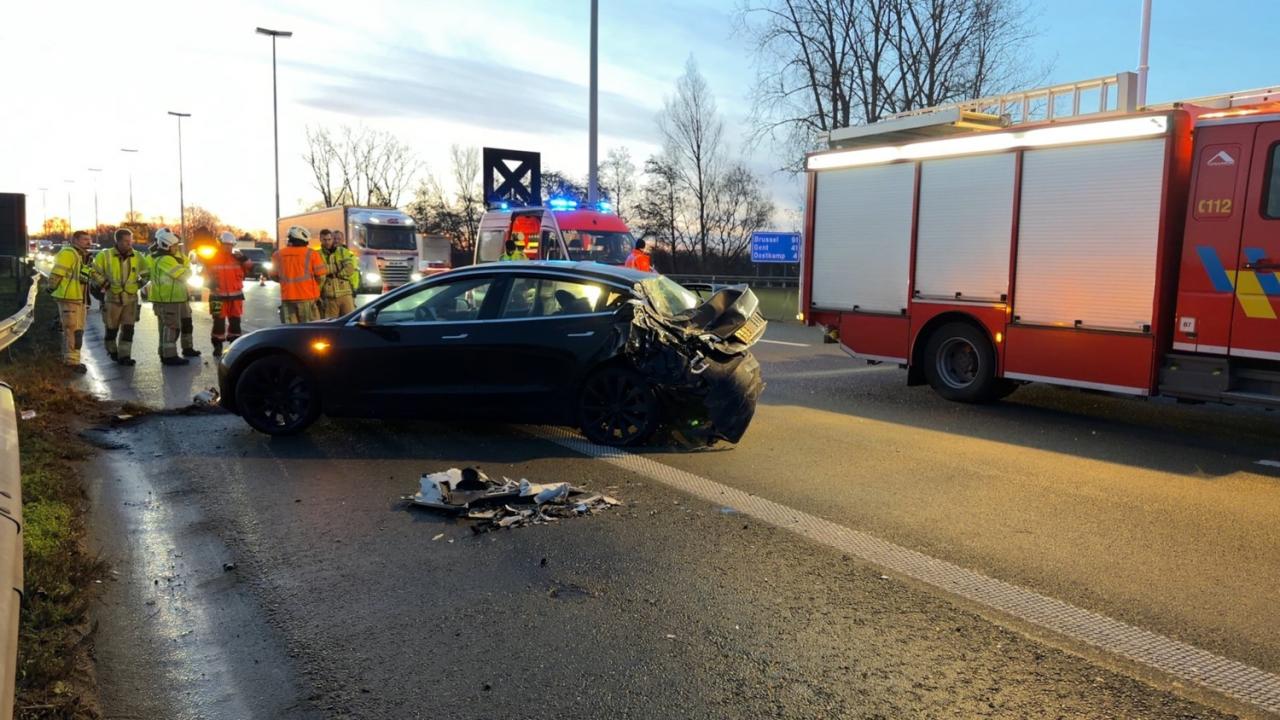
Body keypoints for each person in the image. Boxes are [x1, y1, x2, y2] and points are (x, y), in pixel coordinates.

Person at [91, 228, 147, 366]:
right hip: (112, 299)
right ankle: (112, 351)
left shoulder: (137, 256)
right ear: (118, 241)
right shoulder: (105, 256)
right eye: (126, 241)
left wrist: (138, 285)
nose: (130, 243)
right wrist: (105, 284)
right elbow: (94, 272)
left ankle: (125, 356)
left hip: (130, 299)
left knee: (128, 329)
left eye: (131, 240)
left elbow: (146, 273)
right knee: (111, 329)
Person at [148, 228, 199, 366]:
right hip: (167, 299)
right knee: (171, 327)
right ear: (165, 245)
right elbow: (184, 274)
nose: (177, 248)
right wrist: (188, 269)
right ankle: (169, 356)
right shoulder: (163, 259)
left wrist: (186, 266)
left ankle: (184, 349)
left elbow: (186, 265)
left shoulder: (172, 256)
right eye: (175, 245)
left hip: (179, 297)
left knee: (184, 323)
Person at [48, 230, 95, 373]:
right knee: (72, 330)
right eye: (85, 239)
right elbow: (57, 273)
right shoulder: (69, 253)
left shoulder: (83, 256)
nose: (89, 242)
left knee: (77, 331)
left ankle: (73, 360)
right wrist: (51, 287)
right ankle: (71, 362)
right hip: (69, 297)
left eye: (89, 239)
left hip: (78, 299)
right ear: (75, 241)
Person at [206, 231, 254, 357]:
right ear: (220, 244)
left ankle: (235, 346)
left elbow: (250, 267)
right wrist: (209, 283)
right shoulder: (211, 259)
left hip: (236, 296)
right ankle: (217, 346)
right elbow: (204, 275)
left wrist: (244, 258)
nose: (228, 247)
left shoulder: (237, 258)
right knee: (218, 323)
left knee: (235, 322)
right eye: (226, 245)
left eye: (230, 245)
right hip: (217, 296)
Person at [271, 226, 327, 324]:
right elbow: (321, 276)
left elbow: (273, 275)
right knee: (310, 330)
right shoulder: (312, 254)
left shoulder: (277, 254)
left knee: (290, 331)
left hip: (287, 299)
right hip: (307, 298)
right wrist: (316, 290)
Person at [318, 228, 359, 318]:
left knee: (349, 322)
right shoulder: (317, 254)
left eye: (329, 239)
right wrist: (338, 267)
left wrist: (334, 273)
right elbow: (319, 272)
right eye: (324, 240)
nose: (327, 242)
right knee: (329, 326)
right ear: (320, 239)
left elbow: (349, 268)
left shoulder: (342, 251)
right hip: (329, 296)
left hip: (345, 293)